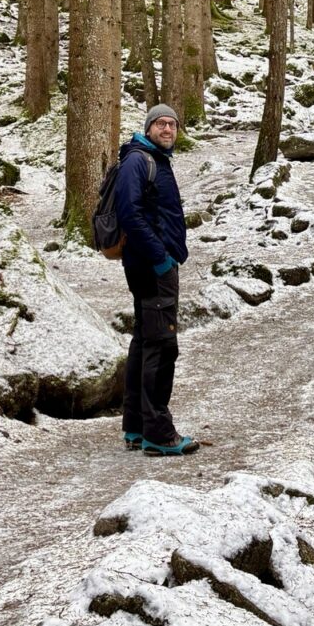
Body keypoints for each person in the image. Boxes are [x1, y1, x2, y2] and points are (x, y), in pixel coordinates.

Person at [114, 104, 199, 456]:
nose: (167, 129)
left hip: (150, 264)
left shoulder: (152, 159)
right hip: (152, 267)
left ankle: (135, 427)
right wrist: (161, 258)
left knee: (145, 343)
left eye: (172, 124)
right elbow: (129, 214)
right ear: (148, 128)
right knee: (162, 348)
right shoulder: (139, 161)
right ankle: (158, 433)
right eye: (160, 124)